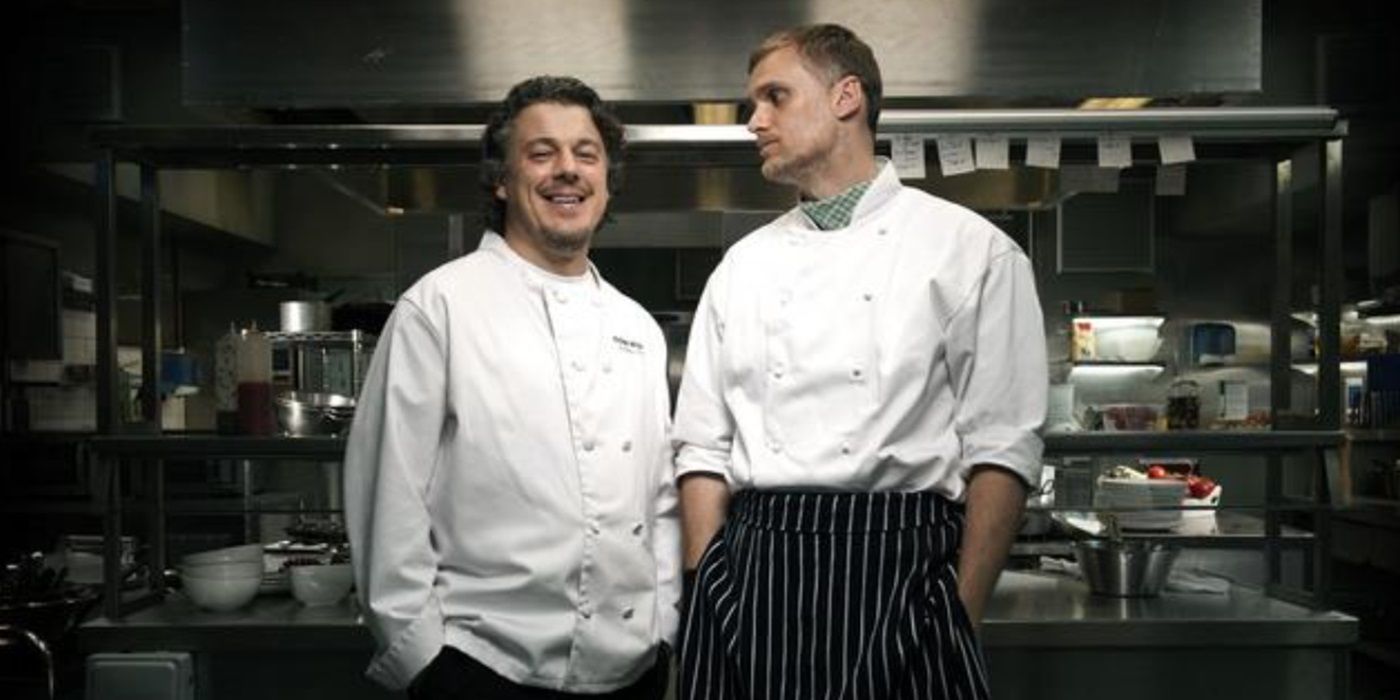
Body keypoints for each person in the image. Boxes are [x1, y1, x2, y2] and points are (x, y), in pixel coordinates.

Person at [673, 24, 1047, 700]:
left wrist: (959, 611)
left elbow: (1002, 449)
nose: (755, 121)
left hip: (903, 574)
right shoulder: (743, 266)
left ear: (846, 97)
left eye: (774, 97)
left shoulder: (971, 251)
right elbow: (701, 444)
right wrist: (707, 578)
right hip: (752, 570)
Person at [344, 75, 680, 700]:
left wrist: (665, 626)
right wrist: (423, 659)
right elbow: (386, 494)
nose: (567, 171)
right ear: (501, 179)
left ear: (607, 180)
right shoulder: (439, 307)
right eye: (541, 152)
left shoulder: (637, 327)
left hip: (631, 671)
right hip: (479, 669)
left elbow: (659, 496)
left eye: (586, 154)